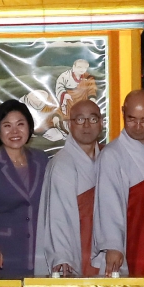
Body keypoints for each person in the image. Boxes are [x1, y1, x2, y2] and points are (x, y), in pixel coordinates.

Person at [94, 89, 144, 277]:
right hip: (134, 240)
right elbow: (108, 204)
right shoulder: (112, 155)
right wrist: (113, 245)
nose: (138, 126)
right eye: (131, 119)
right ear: (122, 112)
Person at [0, 100, 49, 279]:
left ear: (30, 128)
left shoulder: (42, 160)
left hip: (41, 254)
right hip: (4, 256)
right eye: (7, 126)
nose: (15, 131)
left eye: (20, 124)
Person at [35, 97, 104, 276]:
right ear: (69, 125)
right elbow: (58, 218)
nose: (87, 125)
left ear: (101, 123)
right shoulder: (62, 164)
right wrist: (62, 257)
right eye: (80, 119)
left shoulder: (109, 158)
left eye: (93, 119)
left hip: (104, 249)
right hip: (77, 249)